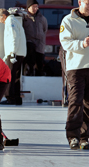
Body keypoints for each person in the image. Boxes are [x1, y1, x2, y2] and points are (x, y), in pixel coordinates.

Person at [59, 0, 89, 150]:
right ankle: (73, 136)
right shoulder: (68, 20)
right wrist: (82, 44)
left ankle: (84, 137)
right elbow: (65, 43)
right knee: (76, 101)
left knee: (88, 104)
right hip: (76, 68)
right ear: (80, 2)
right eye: (88, 3)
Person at [0, 8, 26, 105]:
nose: (0, 21)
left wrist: (12, 52)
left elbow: (14, 36)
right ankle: (16, 98)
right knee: (16, 76)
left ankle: (10, 97)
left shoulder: (10, 21)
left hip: (14, 53)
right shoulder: (14, 20)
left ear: (3, 16)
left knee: (9, 75)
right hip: (19, 53)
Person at [22, 0, 47, 76]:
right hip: (29, 42)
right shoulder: (24, 17)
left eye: (36, 6)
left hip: (40, 43)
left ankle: (39, 76)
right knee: (30, 60)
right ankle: (29, 73)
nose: (35, 8)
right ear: (28, 7)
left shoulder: (42, 18)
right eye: (33, 7)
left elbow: (45, 30)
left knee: (39, 61)